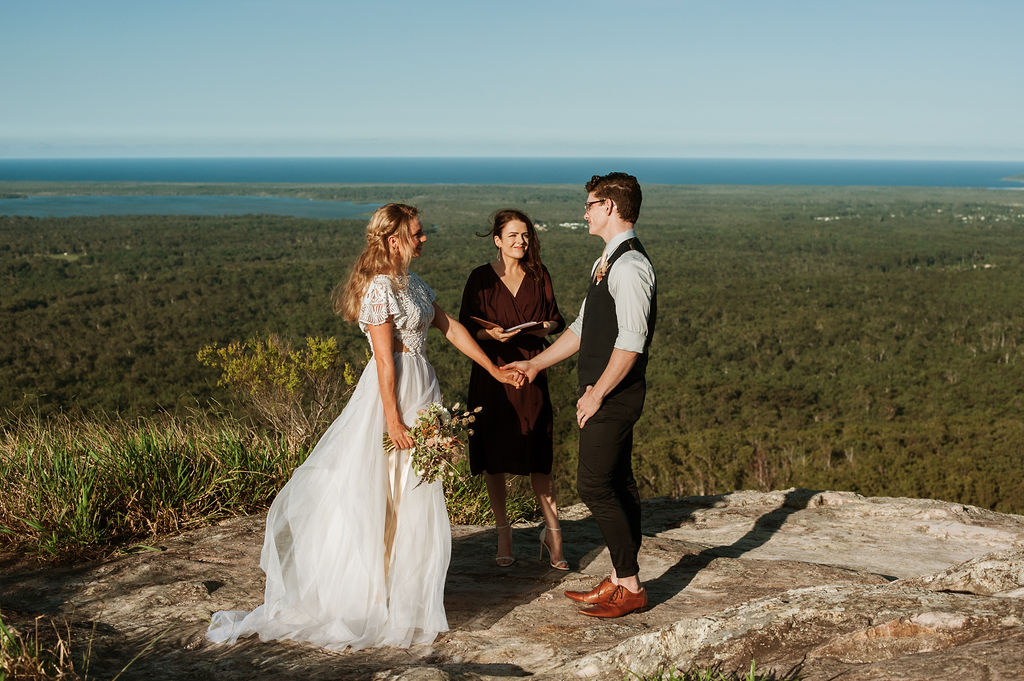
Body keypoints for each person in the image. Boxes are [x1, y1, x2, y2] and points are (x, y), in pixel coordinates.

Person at [206, 203, 522, 650]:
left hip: (422, 389)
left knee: (410, 491)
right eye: (418, 232)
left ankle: (398, 588)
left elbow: (449, 327)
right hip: (390, 396)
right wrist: (392, 418)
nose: (424, 237)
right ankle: (371, 593)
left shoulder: (412, 283)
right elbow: (383, 361)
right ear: (395, 240)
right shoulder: (379, 289)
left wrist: (492, 368)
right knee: (384, 489)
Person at [506, 173, 656, 618]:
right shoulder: (607, 261)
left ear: (610, 207)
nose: (585, 211)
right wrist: (535, 365)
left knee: (593, 485)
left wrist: (596, 396)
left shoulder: (630, 267)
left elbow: (631, 342)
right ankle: (620, 575)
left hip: (613, 397)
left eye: (590, 204)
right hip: (607, 395)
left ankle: (629, 585)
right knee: (618, 483)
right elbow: (581, 329)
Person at [458, 209, 568, 569]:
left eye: (525, 236)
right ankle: (503, 532)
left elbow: (556, 318)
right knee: (494, 459)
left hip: (532, 372)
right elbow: (463, 329)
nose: (521, 242)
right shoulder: (480, 278)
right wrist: (490, 334)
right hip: (493, 375)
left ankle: (552, 532)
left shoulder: (539, 275)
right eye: (513, 236)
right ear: (497, 240)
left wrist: (541, 327)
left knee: (539, 454)